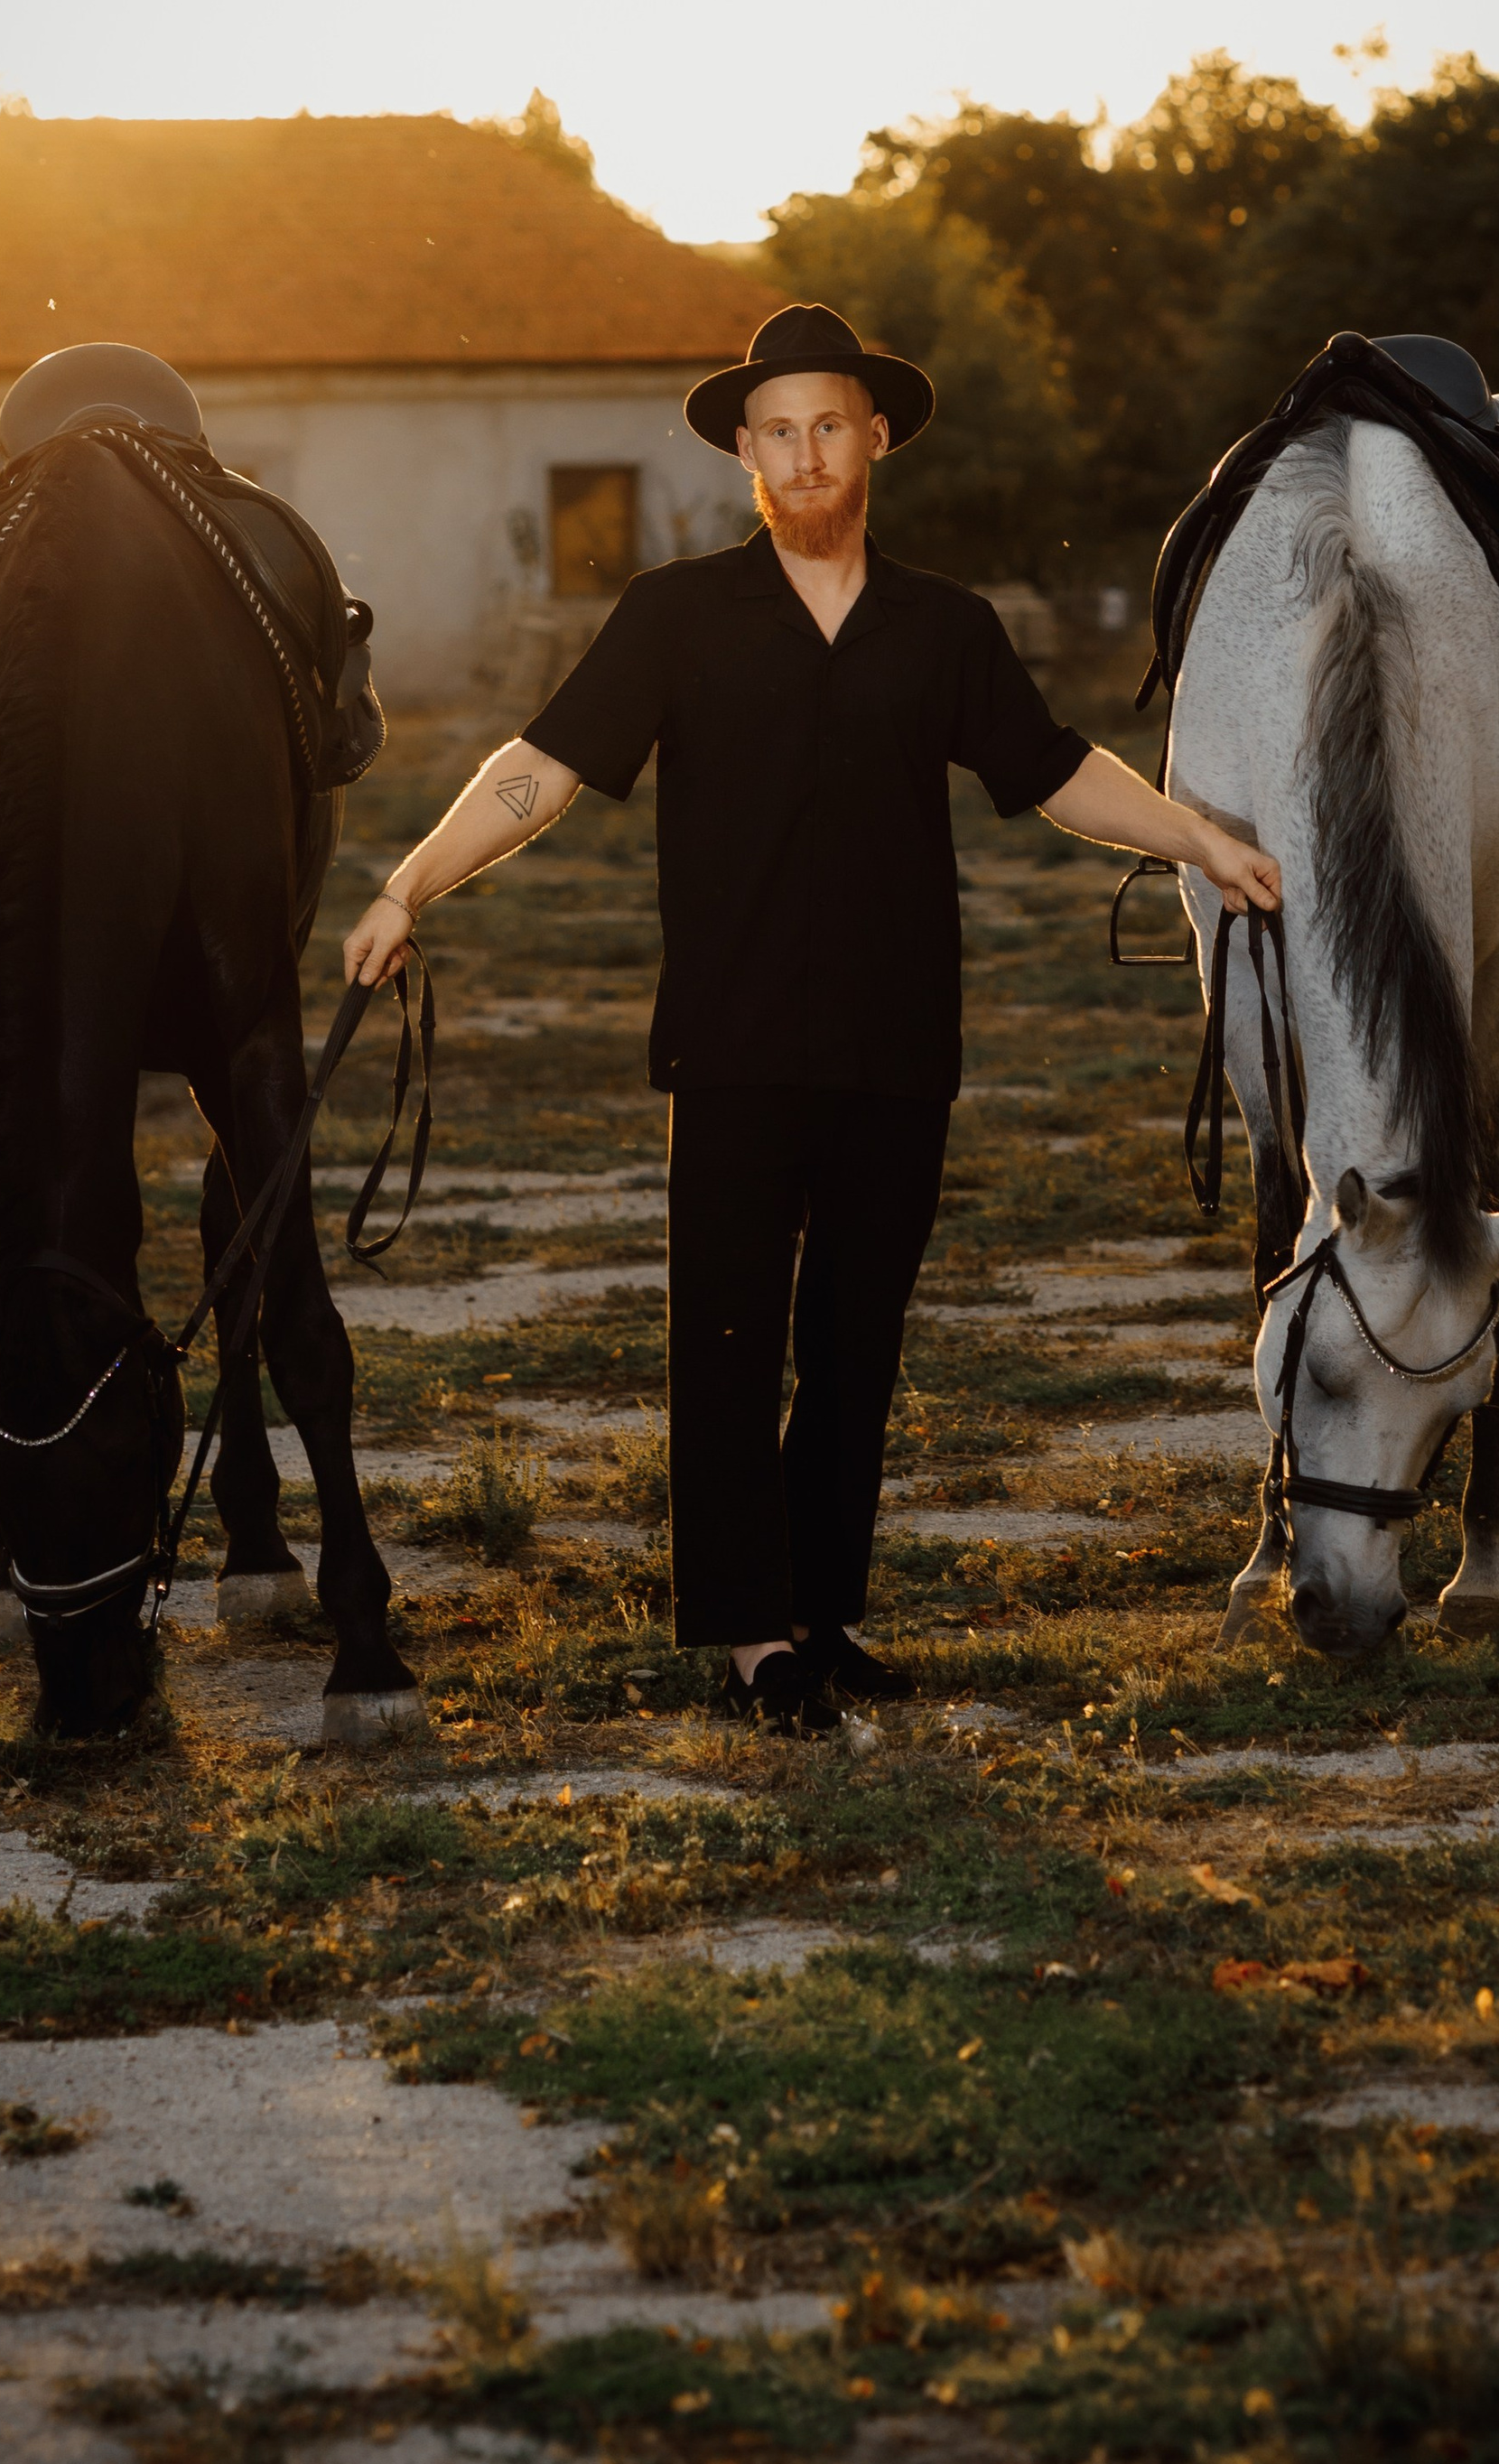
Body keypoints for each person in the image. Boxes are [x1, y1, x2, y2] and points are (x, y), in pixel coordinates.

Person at [344, 303, 1280, 1733]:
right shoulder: (675, 617)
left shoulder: (945, 627)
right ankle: (747, 1638)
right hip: (729, 1045)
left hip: (900, 1046)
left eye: (827, 423)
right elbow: (542, 765)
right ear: (744, 452)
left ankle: (821, 1614)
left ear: (875, 434)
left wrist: (1199, 842)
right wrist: (412, 882)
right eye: (775, 430)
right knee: (725, 1340)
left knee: (856, 1344)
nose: (804, 450)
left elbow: (1048, 767)